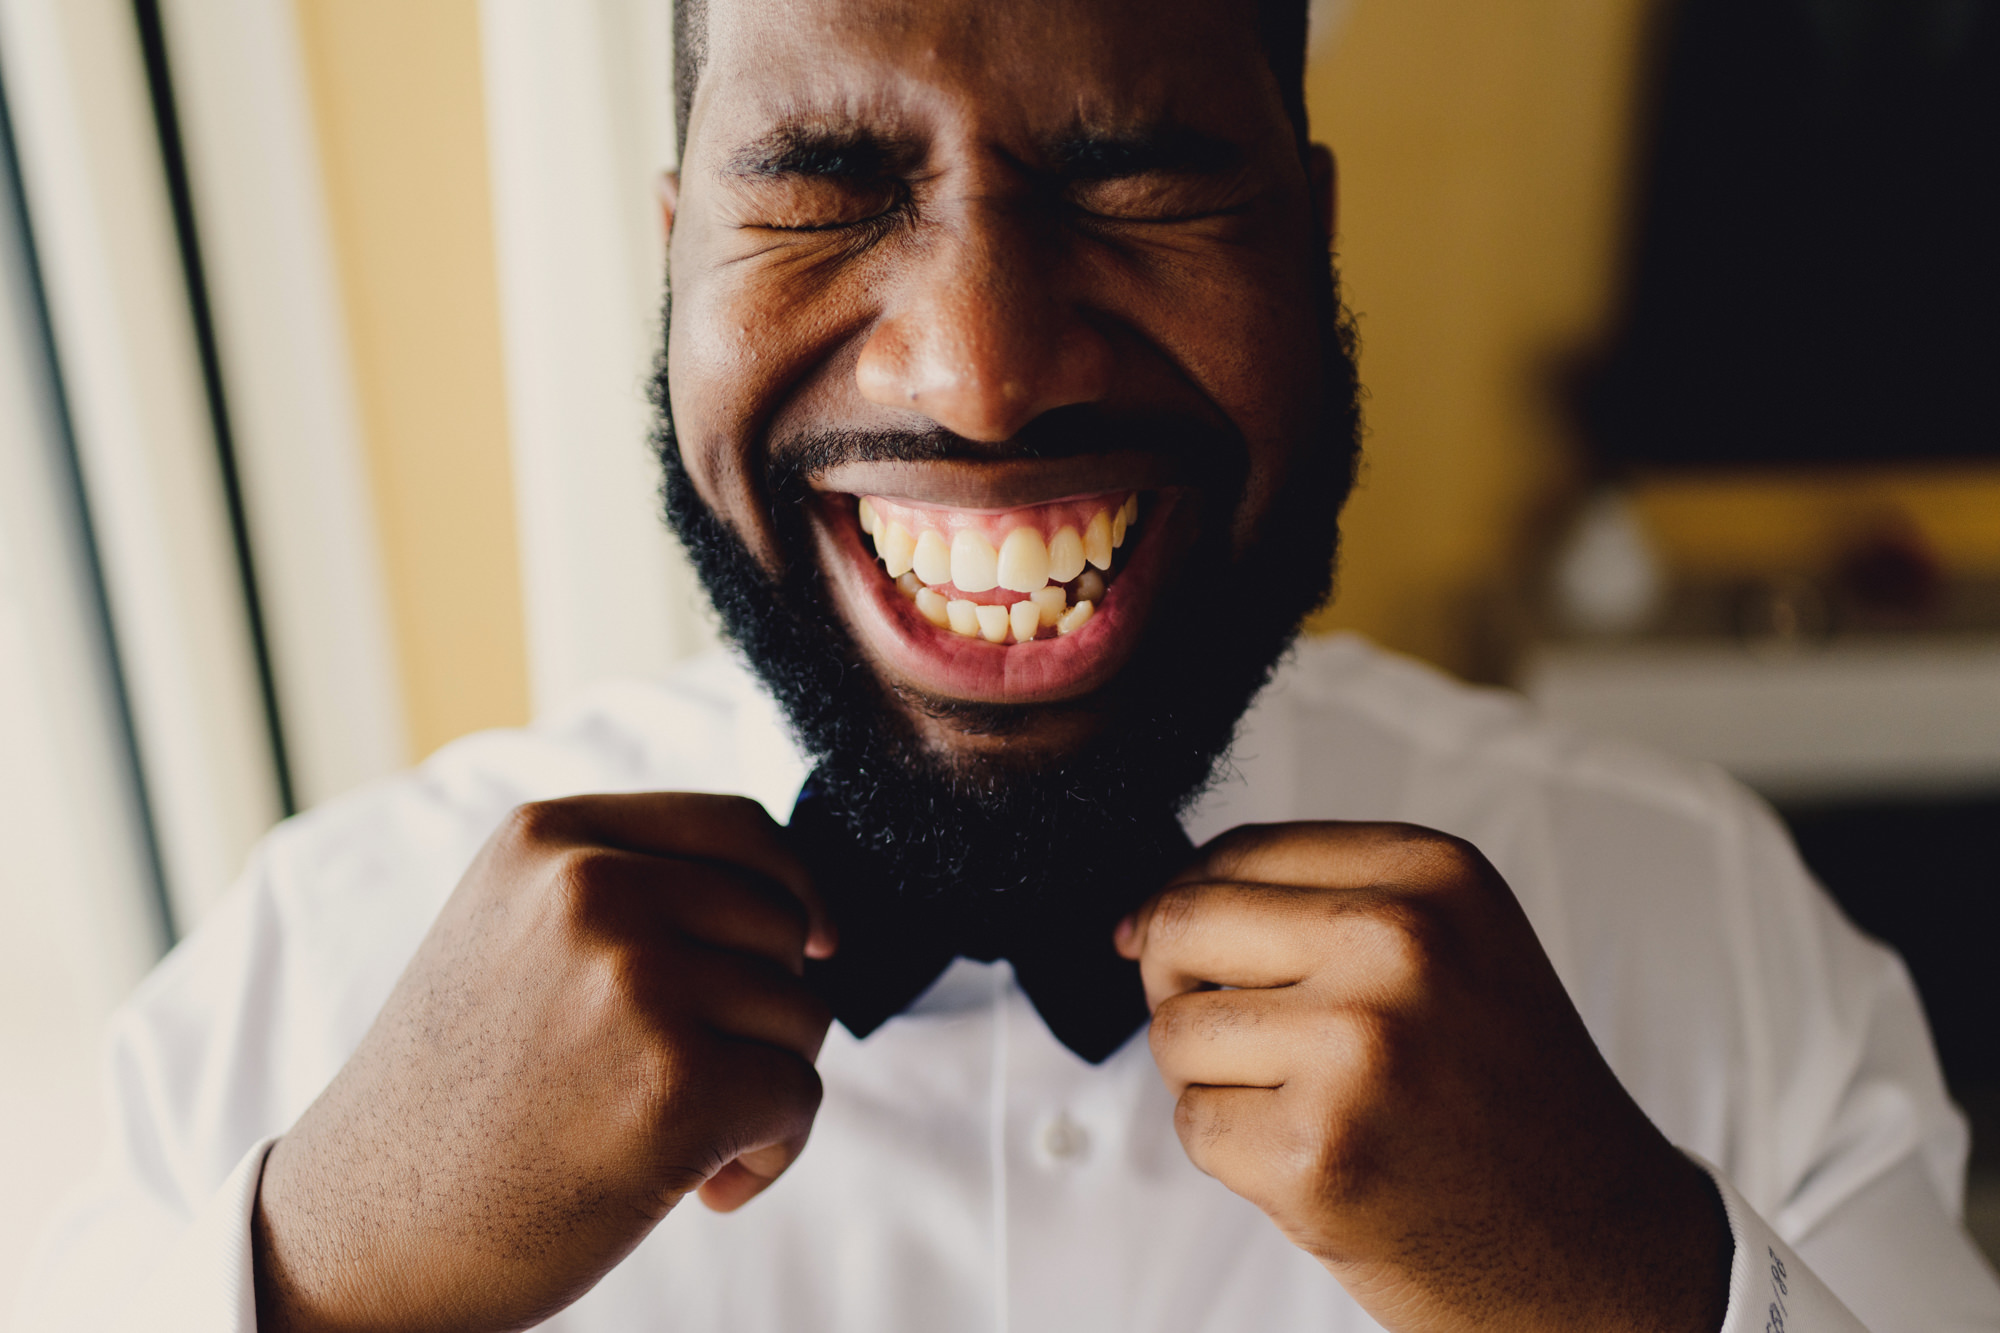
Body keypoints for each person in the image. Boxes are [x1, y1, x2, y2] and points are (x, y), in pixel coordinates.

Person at [17, 0, 2000, 1329]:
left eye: (1134, 176)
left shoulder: (1702, 914)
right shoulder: (310, 972)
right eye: (821, 187)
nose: (979, 367)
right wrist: (311, 1277)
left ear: (1307, 247)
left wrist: (1647, 1288)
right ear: (673, 258)